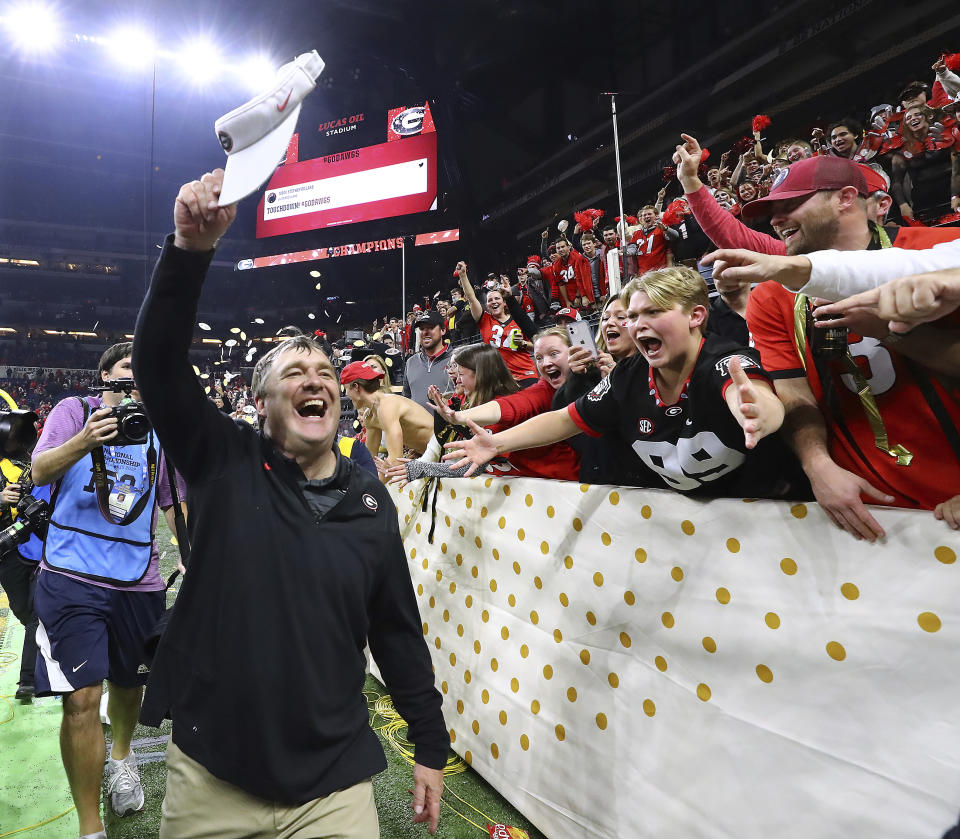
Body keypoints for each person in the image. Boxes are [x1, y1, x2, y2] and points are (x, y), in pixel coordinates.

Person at [133, 168, 448, 838]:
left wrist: (429, 741)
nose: (317, 381)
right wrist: (190, 252)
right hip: (214, 772)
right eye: (294, 373)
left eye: (327, 374)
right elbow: (157, 365)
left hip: (332, 784)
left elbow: (395, 627)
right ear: (260, 403)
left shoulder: (368, 499)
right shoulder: (223, 457)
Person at [698, 154, 960, 539]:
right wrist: (816, 465)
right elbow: (795, 397)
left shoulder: (940, 249)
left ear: (845, 197)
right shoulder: (771, 297)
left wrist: (890, 331)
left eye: (790, 205)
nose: (774, 220)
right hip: (864, 510)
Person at [443, 268, 794, 499]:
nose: (639, 325)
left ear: (696, 316)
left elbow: (755, 396)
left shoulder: (723, 361)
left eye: (653, 312)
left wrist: (759, 412)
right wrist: (496, 443)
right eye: (635, 316)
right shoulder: (630, 374)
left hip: (763, 519)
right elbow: (565, 418)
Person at [29, 342, 186, 839]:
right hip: (71, 576)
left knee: (127, 684)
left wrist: (192, 554)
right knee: (80, 698)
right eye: (125, 371)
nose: (135, 379)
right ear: (104, 378)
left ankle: (122, 757)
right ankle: (90, 828)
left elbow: (171, 503)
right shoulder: (73, 412)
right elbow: (39, 470)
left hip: (138, 580)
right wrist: (85, 441)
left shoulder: (159, 433)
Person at [456, 261, 538, 385]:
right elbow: (472, 298)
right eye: (490, 300)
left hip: (525, 373)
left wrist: (522, 343)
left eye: (497, 298)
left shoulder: (518, 319)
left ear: (504, 302)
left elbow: (537, 346)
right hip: (500, 379)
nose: (493, 301)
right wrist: (463, 276)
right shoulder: (484, 320)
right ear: (487, 306)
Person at [342, 361, 434, 469]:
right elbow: (370, 459)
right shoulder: (369, 416)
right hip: (429, 456)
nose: (346, 394)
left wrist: (371, 485)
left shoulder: (387, 406)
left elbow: (395, 461)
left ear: (356, 387)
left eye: (346, 388)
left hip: (446, 452)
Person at [403, 310, 453, 411]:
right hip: (416, 426)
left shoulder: (457, 359)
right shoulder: (411, 362)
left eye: (430, 327)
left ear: (443, 330)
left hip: (449, 425)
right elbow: (406, 400)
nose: (425, 332)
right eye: (421, 328)